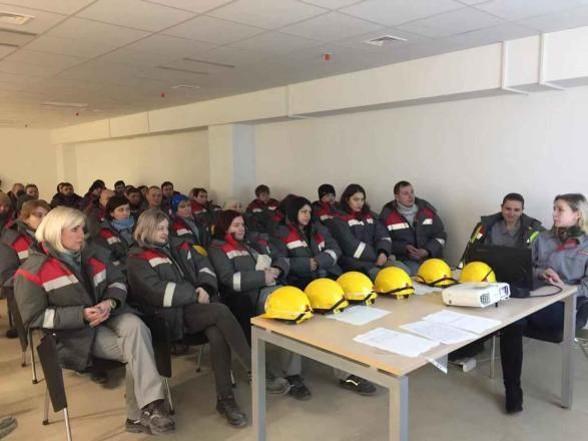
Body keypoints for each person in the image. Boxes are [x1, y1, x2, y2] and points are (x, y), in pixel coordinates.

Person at [13, 206, 175, 434]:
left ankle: (148, 409)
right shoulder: (31, 272)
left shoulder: (95, 253)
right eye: (75, 230)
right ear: (56, 232)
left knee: (137, 327)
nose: (82, 235)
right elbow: (34, 317)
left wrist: (110, 302)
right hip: (75, 334)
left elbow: (118, 282)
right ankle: (143, 412)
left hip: (109, 315)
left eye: (82, 228)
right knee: (138, 345)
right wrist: (80, 314)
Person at [126, 209, 288, 427]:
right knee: (220, 311)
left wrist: (204, 287)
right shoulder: (137, 258)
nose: (165, 232)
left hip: (197, 309)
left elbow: (205, 266)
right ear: (146, 229)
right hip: (168, 317)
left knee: (217, 332)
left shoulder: (180, 245)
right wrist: (193, 294)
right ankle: (256, 370)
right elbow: (154, 291)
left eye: (166, 227)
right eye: (159, 228)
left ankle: (225, 400)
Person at [272, 196, 376, 396]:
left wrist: (318, 261)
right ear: (293, 213)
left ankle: (347, 374)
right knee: (292, 321)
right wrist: (306, 264)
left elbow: (335, 249)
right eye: (303, 212)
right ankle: (292, 376)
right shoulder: (280, 233)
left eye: (309, 212)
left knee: (340, 321)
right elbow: (279, 260)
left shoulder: (318, 228)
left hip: (323, 279)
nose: (307, 215)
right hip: (297, 284)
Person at [500, 193, 588, 414]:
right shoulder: (542, 238)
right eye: (554, 208)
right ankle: (513, 392)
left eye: (560, 209)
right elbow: (525, 268)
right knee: (512, 322)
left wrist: (564, 287)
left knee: (516, 317)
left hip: (565, 303)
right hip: (535, 296)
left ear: (577, 215)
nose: (554, 213)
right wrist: (541, 272)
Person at [208, 210, 289, 343]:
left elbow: (278, 257)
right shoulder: (217, 249)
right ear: (225, 228)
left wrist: (277, 269)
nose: (241, 228)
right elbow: (228, 279)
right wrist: (263, 277)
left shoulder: (248, 244)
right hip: (245, 295)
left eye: (242, 225)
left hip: (266, 288)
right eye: (236, 225)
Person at [328, 184, 406, 280]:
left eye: (362, 199)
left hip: (379, 258)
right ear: (347, 200)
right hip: (356, 264)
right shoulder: (338, 220)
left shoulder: (370, 216)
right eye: (356, 199)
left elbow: (383, 236)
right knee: (385, 278)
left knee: (402, 270)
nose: (360, 203)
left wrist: (383, 252)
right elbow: (350, 246)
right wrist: (377, 257)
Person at [0, 200, 50, 338]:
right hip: (25, 290)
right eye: (38, 215)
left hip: (50, 286)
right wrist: (31, 283)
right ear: (25, 218)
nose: (44, 219)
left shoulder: (51, 235)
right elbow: (7, 276)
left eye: (47, 215)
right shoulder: (10, 239)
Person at [379, 181, 447, 275]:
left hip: (430, 257)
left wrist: (427, 250)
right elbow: (382, 241)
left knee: (442, 273)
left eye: (412, 192)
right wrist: (404, 248)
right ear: (397, 197)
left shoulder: (426, 210)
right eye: (405, 193)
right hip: (404, 260)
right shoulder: (387, 215)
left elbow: (440, 236)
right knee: (417, 274)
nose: (410, 196)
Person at [460, 193, 544, 265]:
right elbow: (470, 252)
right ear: (502, 207)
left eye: (516, 210)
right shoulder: (484, 227)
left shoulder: (534, 230)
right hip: (488, 272)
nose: (511, 213)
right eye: (508, 209)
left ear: (522, 210)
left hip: (519, 274)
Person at [93, 196, 135, 272]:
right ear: (112, 213)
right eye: (121, 210)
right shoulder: (105, 232)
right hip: (122, 270)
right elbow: (109, 259)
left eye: (127, 209)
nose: (125, 213)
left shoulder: (137, 225)